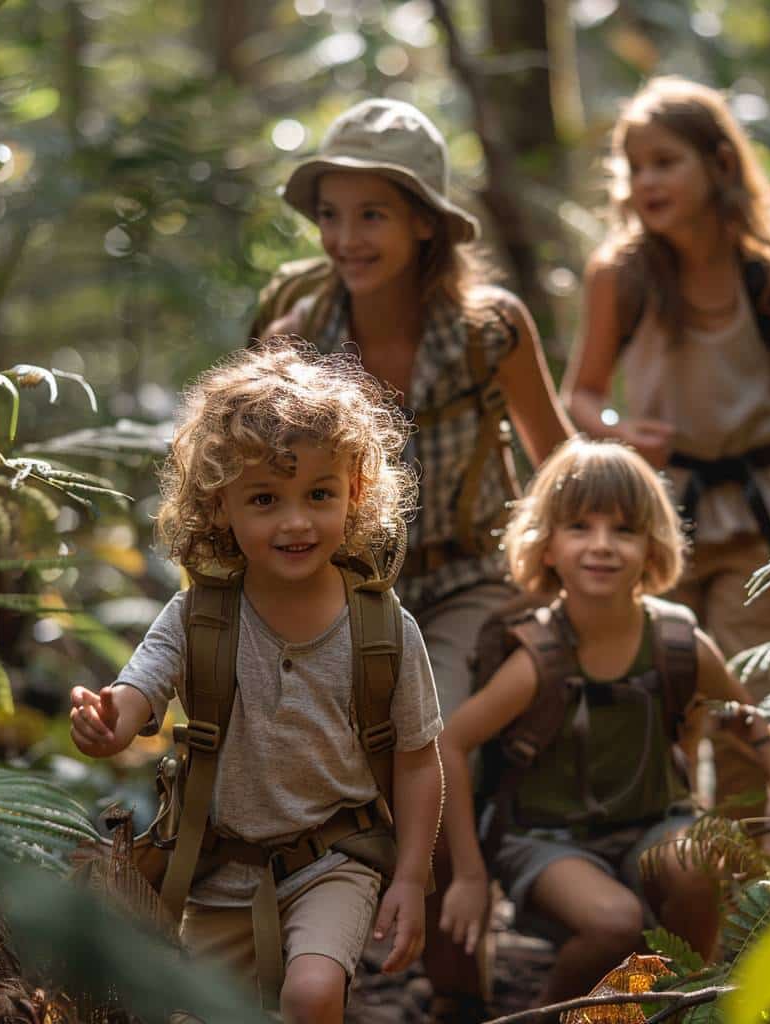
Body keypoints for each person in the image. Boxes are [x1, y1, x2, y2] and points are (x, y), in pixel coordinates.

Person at [257, 97, 573, 1019]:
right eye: (330, 214)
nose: (345, 238)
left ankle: (456, 991)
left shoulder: (489, 329)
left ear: (425, 222)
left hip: (469, 579)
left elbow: (556, 461)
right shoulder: (295, 334)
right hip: (344, 585)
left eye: (372, 214)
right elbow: (249, 479)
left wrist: (576, 573)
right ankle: (321, 974)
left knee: (419, 741)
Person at [69, 340, 443, 1024]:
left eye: (319, 494)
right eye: (265, 498)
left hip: (335, 856)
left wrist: (412, 878)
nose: (296, 521)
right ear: (221, 506)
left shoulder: (384, 631)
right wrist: (105, 722)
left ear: (354, 492)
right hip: (220, 871)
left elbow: (419, 761)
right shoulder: (199, 618)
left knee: (310, 994)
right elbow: (136, 696)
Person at [439, 438, 770, 1005]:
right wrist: (470, 875)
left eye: (624, 530)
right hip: (546, 842)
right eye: (580, 526)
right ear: (547, 546)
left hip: (655, 823)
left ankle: (680, 1003)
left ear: (652, 549)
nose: (601, 546)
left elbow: (745, 720)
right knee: (614, 921)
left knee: (697, 863)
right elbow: (450, 744)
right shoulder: (538, 656)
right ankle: (552, 1016)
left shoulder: (678, 642)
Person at [563, 76, 770, 668]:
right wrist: (619, 431)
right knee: (663, 691)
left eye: (665, 162)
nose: (646, 181)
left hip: (755, 516)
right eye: (635, 166)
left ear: (720, 163)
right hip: (654, 519)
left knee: (745, 695)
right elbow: (582, 395)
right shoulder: (619, 274)